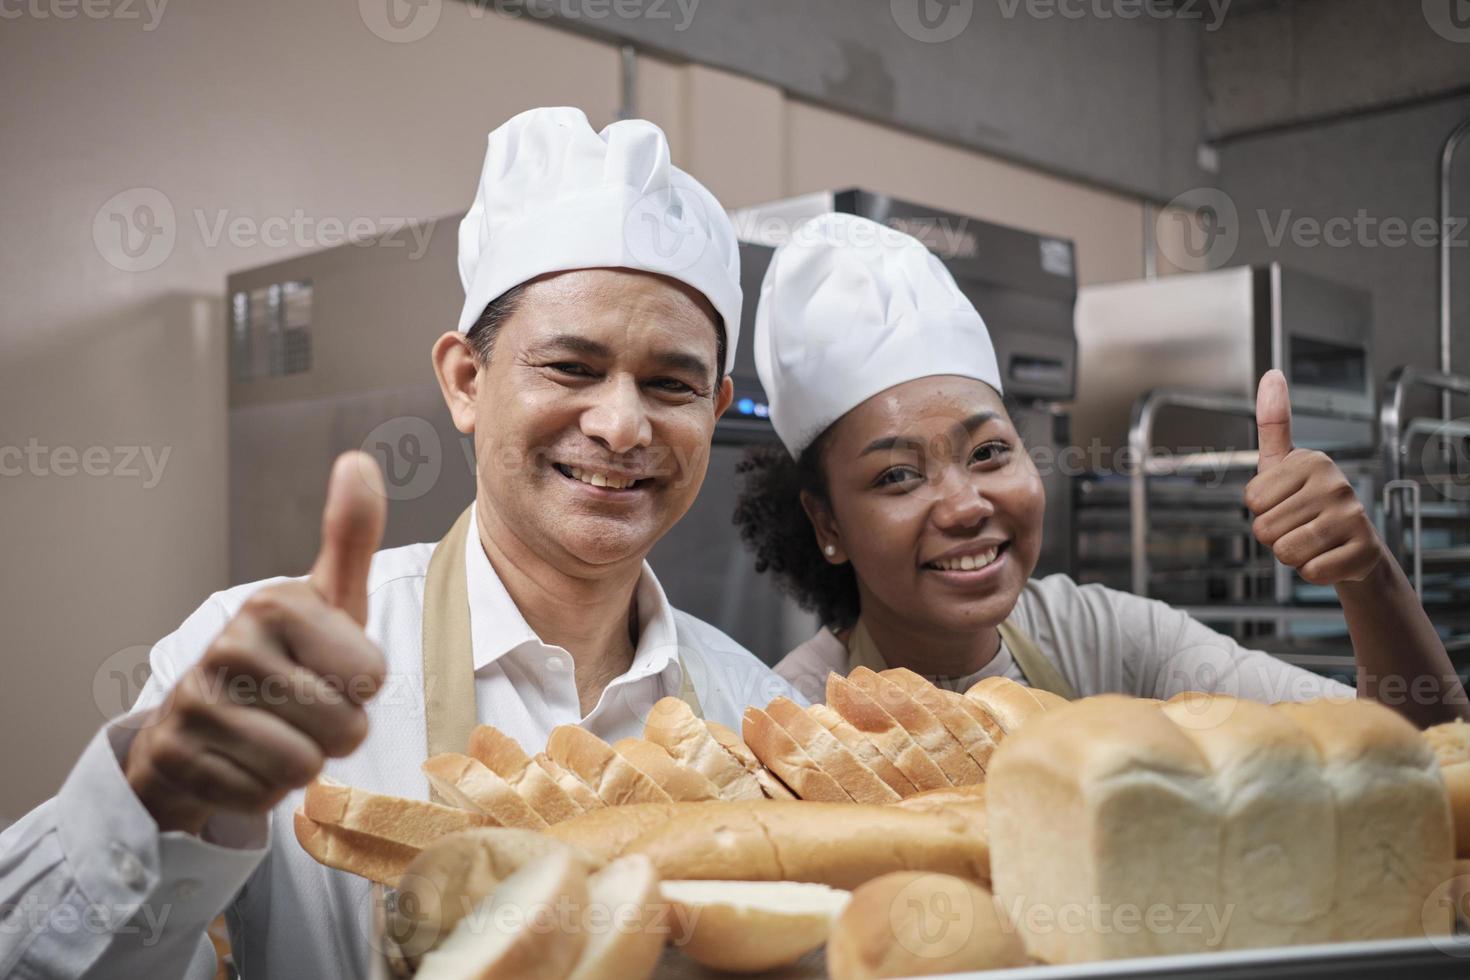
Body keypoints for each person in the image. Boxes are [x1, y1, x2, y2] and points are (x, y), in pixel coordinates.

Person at [0, 107, 802, 980]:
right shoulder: (261, 666)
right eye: (571, 368)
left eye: (669, 384)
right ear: (466, 381)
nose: (620, 424)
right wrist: (146, 809)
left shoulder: (754, 714)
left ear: (714, 412)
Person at [734, 212, 1467, 726]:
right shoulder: (794, 714)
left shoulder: (1105, 639)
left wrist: (1366, 576)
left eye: (989, 453)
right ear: (827, 524)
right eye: (898, 476)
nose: (964, 505)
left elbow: (1423, 754)